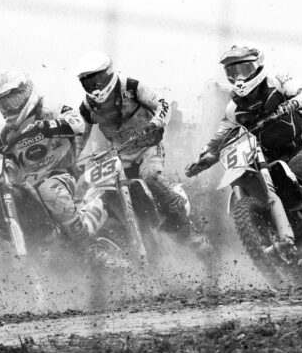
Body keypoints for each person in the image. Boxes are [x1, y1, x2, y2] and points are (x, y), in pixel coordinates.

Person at [184, 45, 302, 243]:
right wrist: (204, 158)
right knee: (249, 181)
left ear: (258, 67)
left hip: (298, 148)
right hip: (266, 161)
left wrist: (295, 102)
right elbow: (219, 137)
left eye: (244, 70)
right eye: (232, 72)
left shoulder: (278, 82)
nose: (238, 78)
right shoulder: (233, 109)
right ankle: (269, 240)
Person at [73, 51, 208, 250]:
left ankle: (187, 229)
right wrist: (72, 162)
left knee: (150, 175)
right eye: (89, 83)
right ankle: (120, 235)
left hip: (148, 145)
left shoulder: (130, 86)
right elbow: (79, 138)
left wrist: (156, 123)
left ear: (109, 73)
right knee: (105, 191)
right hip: (120, 156)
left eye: (99, 80)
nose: (95, 87)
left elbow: (162, 103)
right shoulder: (87, 107)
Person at [0, 71, 106, 244]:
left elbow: (78, 124)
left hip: (59, 176)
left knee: (49, 189)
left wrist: (46, 126)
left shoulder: (50, 109)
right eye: (2, 106)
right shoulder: (6, 135)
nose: (7, 110)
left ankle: (87, 245)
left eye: (11, 102)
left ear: (26, 93)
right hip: (27, 186)